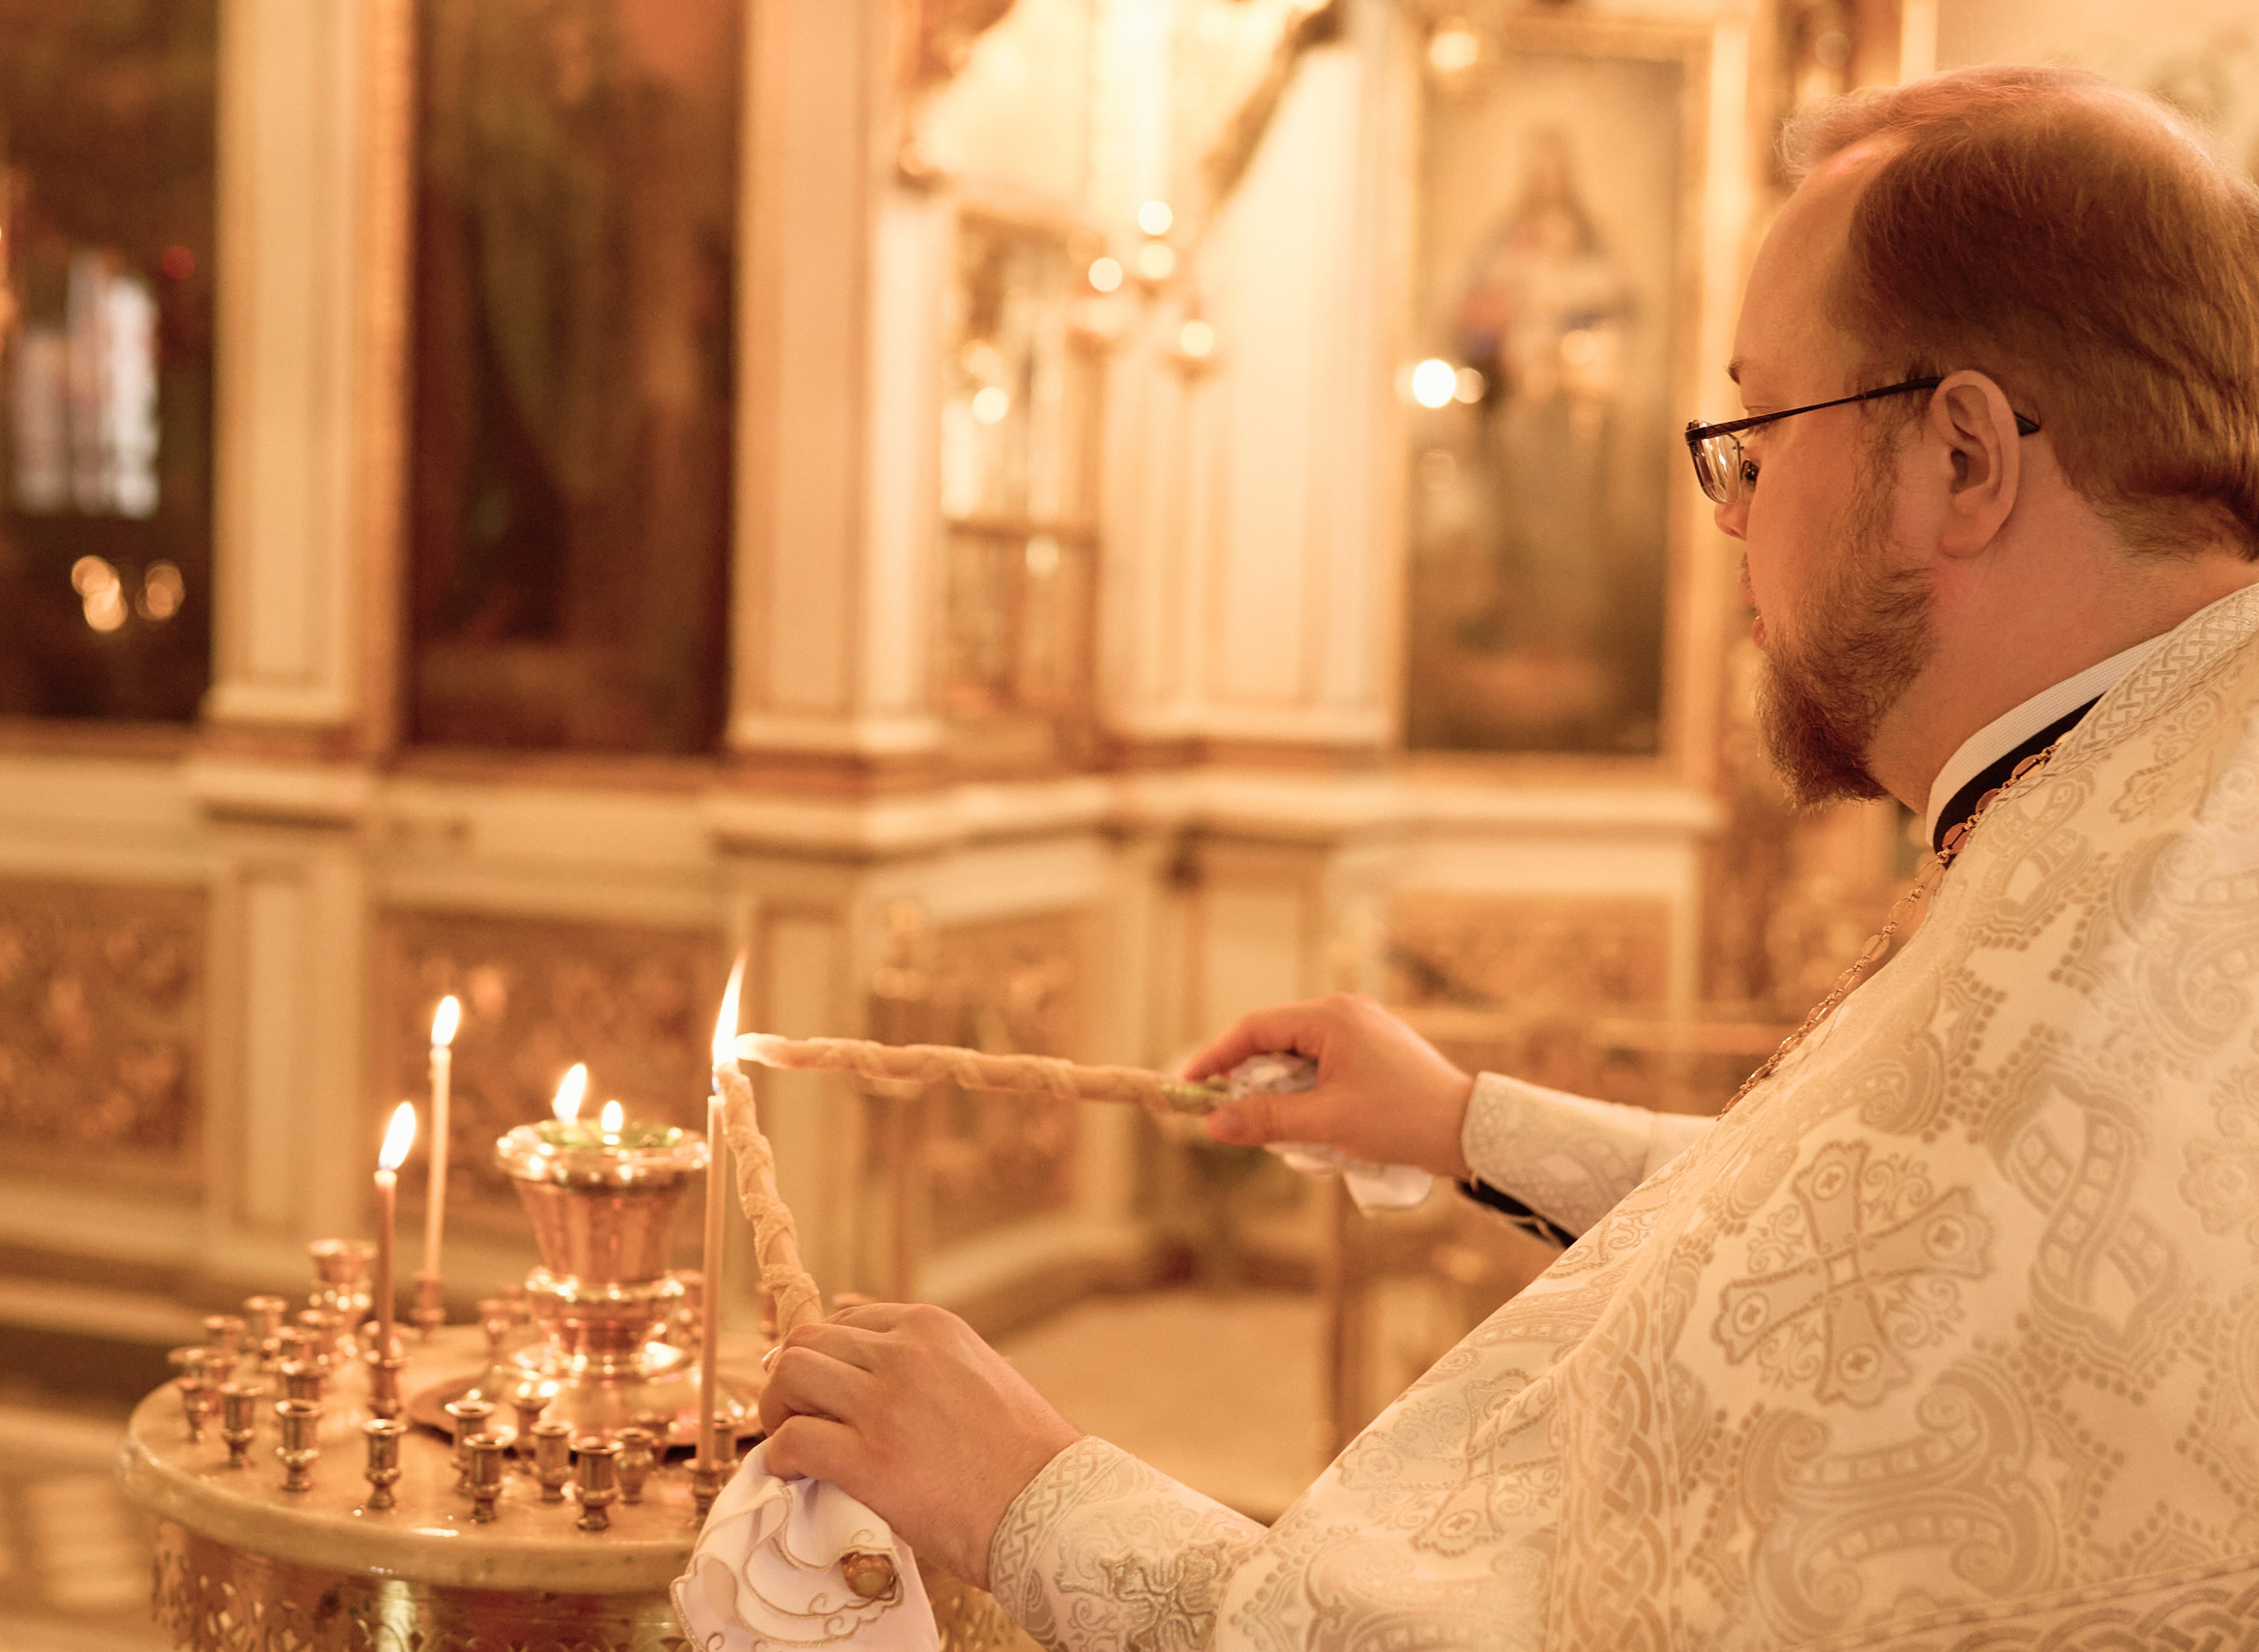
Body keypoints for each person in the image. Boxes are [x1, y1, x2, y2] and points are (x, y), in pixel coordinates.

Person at [757, 66, 2259, 1646]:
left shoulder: (2118, 965)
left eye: (1757, 434)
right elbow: (1840, 1245)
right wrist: (1465, 1123)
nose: (1732, 515)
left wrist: (1027, 1492)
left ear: (1963, 460)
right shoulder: (2154, 799)